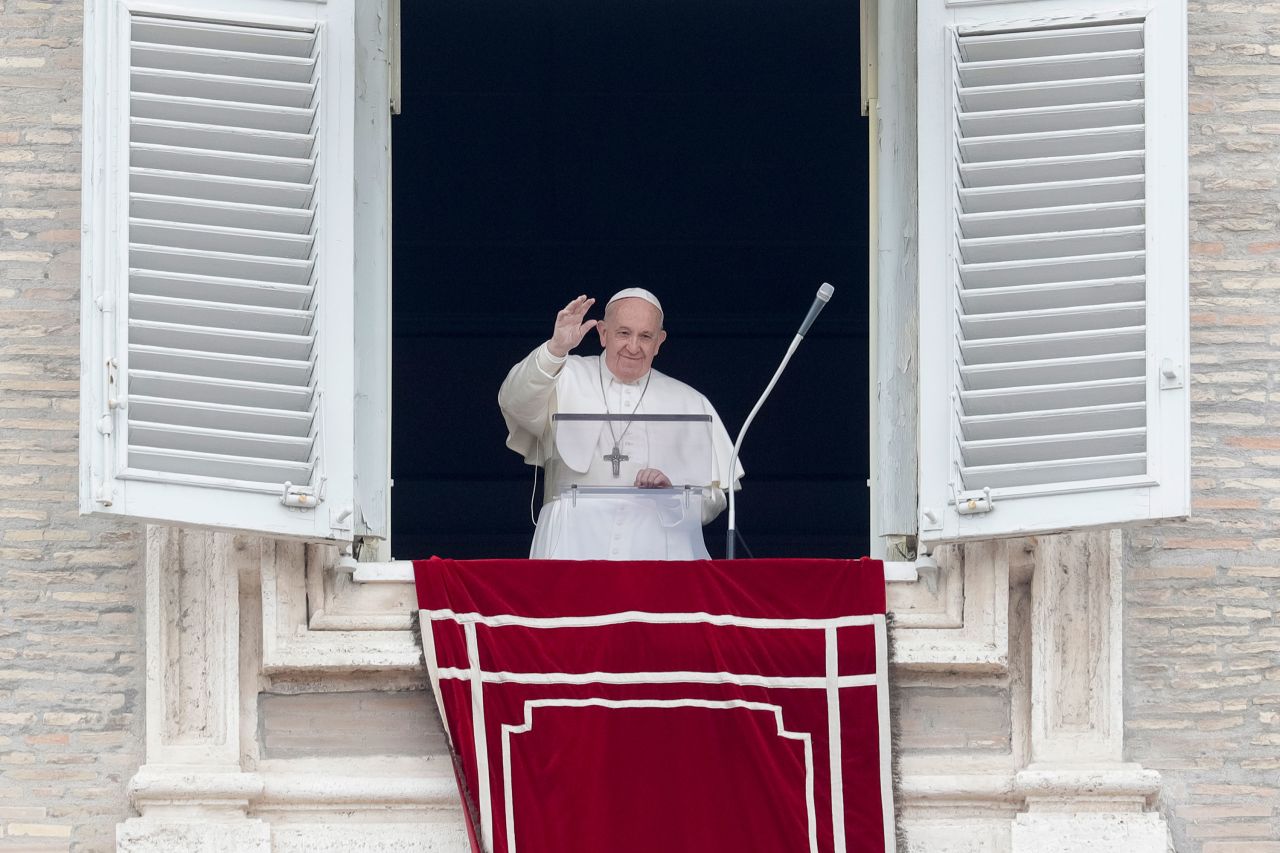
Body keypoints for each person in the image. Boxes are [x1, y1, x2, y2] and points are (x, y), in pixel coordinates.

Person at [499, 289, 742, 559]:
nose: (634, 346)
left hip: (658, 553)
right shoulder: (563, 376)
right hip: (571, 546)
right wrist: (555, 349)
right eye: (623, 333)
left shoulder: (689, 401)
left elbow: (714, 500)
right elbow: (514, 402)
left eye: (646, 336)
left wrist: (673, 494)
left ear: (659, 341)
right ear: (603, 333)